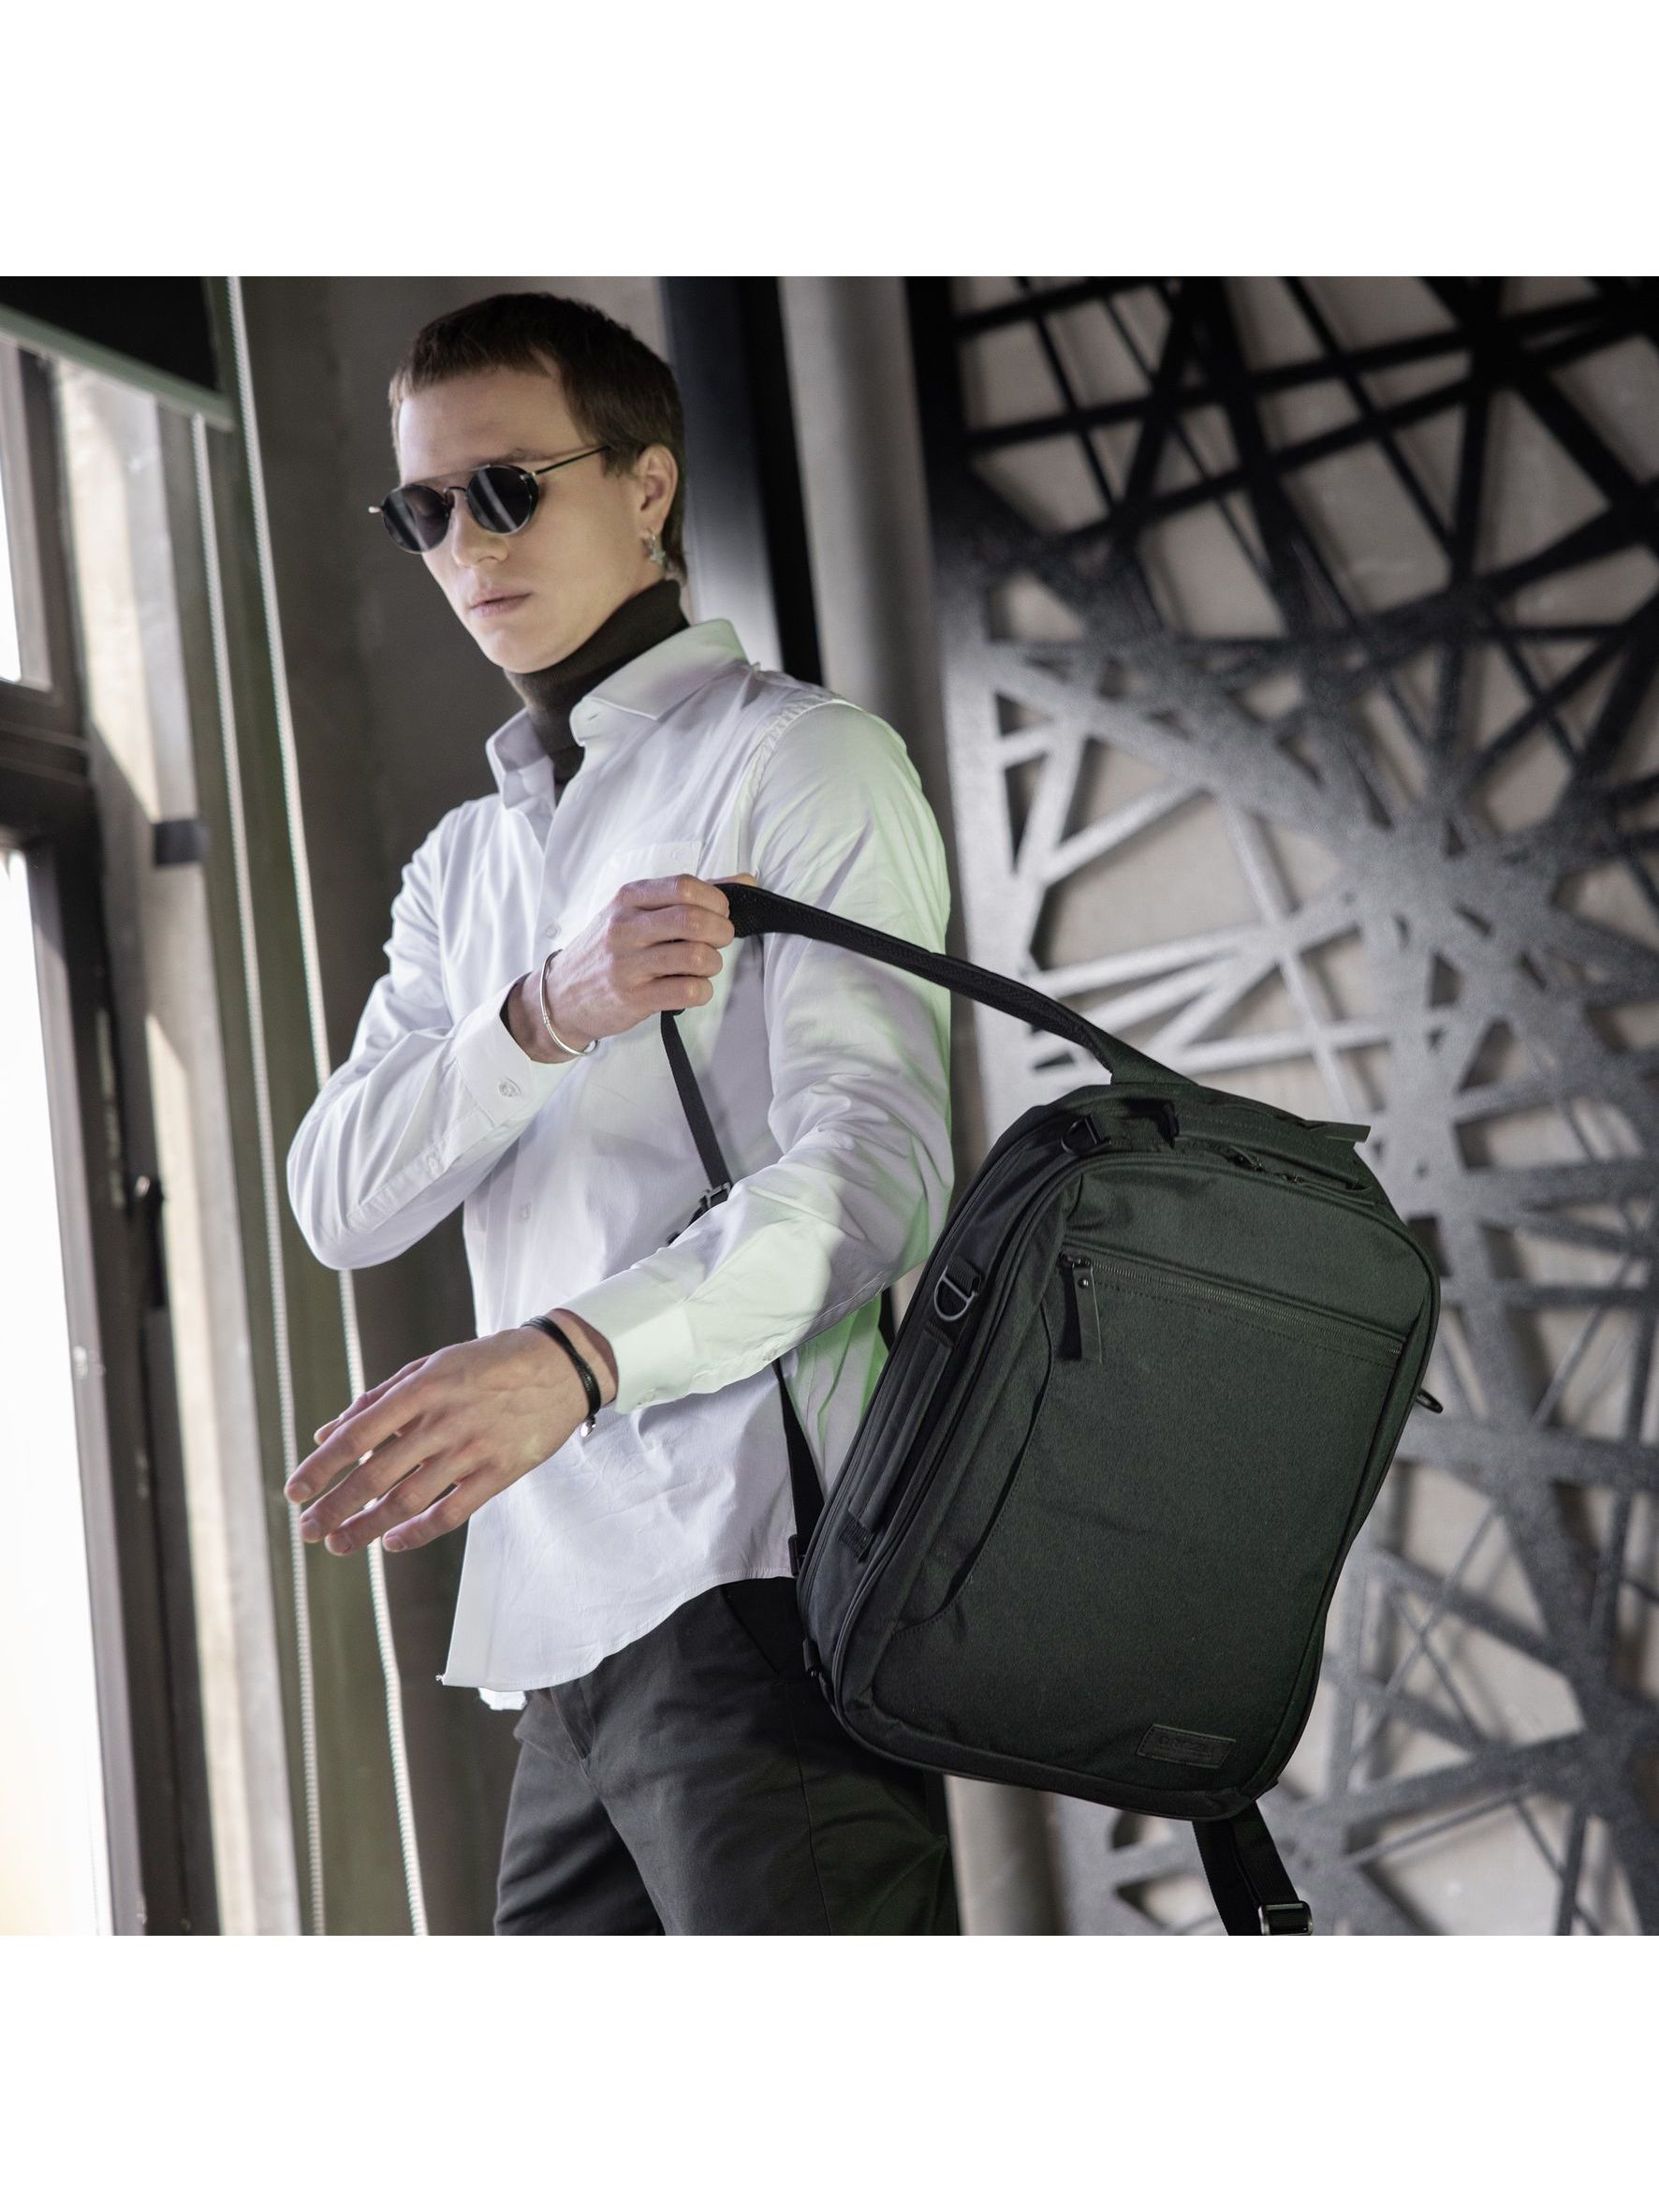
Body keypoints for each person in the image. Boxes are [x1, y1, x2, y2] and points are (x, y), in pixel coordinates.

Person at [283, 290, 960, 1934]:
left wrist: (575, 1359)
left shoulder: (802, 761)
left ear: (647, 486)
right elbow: (340, 1196)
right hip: (556, 1625)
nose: (466, 547)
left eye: (507, 489)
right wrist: (541, 1015)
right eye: (425, 511)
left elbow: (875, 1175)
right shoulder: (464, 864)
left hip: (757, 1572)